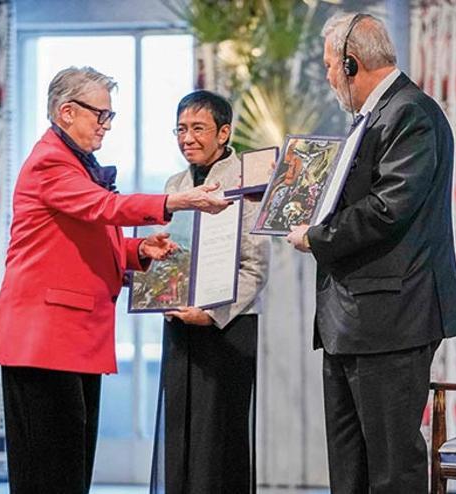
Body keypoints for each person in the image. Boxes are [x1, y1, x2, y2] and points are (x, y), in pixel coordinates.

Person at [0, 66, 230, 494]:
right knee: (48, 474)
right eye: (100, 115)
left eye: (110, 116)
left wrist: (136, 251)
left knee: (72, 468)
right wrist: (179, 200)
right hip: (44, 339)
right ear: (66, 112)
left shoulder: (76, 164)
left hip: (73, 337)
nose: (106, 125)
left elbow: (82, 238)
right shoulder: (50, 161)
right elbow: (104, 207)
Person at [285, 12, 456, 494]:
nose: (327, 78)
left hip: (391, 318)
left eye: (328, 66)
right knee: (350, 469)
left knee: (391, 467)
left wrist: (314, 236)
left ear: (350, 62)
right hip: (351, 320)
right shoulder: (371, 119)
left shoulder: (410, 113)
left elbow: (388, 210)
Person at [156, 90, 271, 494]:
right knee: (181, 435)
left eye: (198, 128)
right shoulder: (175, 183)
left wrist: (213, 313)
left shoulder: (248, 180)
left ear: (224, 133)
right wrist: (162, 293)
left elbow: (255, 267)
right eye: (181, 129)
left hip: (228, 329)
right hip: (180, 327)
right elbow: (168, 255)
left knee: (219, 439)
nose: (187, 138)